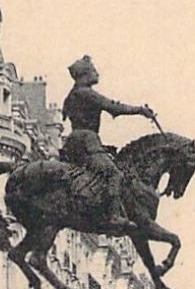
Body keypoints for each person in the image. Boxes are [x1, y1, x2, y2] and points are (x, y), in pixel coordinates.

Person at [61, 55, 157, 229]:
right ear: (85, 74)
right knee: (114, 173)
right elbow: (113, 107)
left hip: (74, 141)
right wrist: (140, 110)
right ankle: (113, 215)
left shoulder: (72, 95)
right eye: (93, 71)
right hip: (87, 141)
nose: (97, 73)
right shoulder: (86, 93)